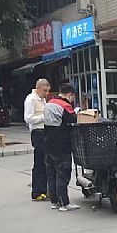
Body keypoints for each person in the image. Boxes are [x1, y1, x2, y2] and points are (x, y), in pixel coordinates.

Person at [44, 83, 79, 212]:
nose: (72, 100)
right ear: (69, 95)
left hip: (48, 143)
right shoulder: (64, 105)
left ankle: (55, 202)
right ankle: (64, 203)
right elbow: (73, 119)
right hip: (61, 144)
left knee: (51, 174)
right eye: (73, 97)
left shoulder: (49, 103)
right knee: (62, 173)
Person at [24, 79, 51, 201]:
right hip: (37, 132)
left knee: (46, 162)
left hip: (44, 131)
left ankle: (44, 189)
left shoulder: (42, 99)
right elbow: (28, 118)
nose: (46, 93)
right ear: (38, 88)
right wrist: (43, 117)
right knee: (39, 162)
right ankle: (37, 191)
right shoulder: (31, 99)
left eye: (48, 91)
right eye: (44, 91)